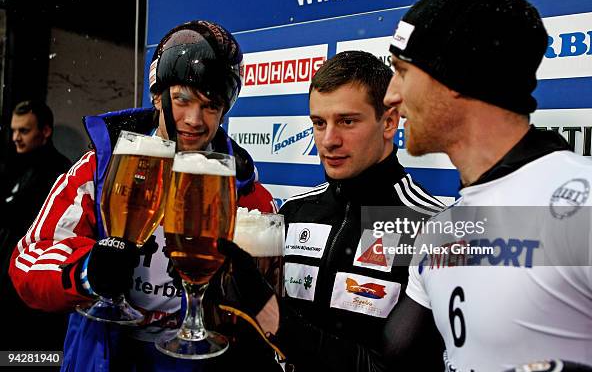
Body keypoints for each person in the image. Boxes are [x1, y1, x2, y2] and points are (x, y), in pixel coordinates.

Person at [9, 20, 276, 371]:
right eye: (182, 99)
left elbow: (266, 306)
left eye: (211, 105)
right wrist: (87, 269)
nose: (194, 119)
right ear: (156, 94)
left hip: (191, 359)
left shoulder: (245, 192)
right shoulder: (101, 167)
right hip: (103, 354)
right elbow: (28, 260)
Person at [381, 0, 592, 371]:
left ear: (455, 76)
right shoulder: (442, 229)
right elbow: (394, 358)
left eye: (401, 70)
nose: (390, 95)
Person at [213, 51, 446, 371]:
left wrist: (270, 313)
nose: (329, 140)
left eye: (347, 121)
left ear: (389, 121)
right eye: (319, 123)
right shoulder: (293, 213)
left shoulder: (431, 228)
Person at [0, 100, 71, 350]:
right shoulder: (11, 166)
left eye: (24, 131)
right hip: (10, 284)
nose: (16, 137)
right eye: (14, 131)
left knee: (27, 355)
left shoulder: (62, 175)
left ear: (45, 131)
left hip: (34, 294)